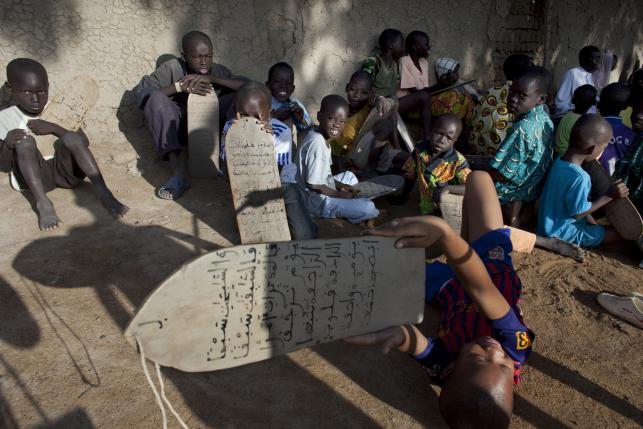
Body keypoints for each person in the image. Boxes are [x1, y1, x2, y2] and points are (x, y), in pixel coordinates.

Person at [346, 171, 535, 429]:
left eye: (479, 358)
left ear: (451, 369)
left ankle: (455, 243)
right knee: (479, 179)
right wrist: (446, 236)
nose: (494, 351)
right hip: (489, 269)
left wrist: (400, 335)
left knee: (381, 265)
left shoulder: (441, 365)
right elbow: (482, 288)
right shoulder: (516, 347)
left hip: (446, 289)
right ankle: (456, 240)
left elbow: (415, 342)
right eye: (504, 366)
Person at [0, 58, 128, 231]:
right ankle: (43, 203)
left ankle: (105, 192)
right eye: (26, 92)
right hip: (36, 181)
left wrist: (54, 128)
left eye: (42, 92)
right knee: (25, 142)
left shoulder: (60, 109)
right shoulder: (5, 118)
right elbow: (5, 166)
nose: (36, 98)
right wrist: (8, 144)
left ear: (48, 87)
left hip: (65, 174)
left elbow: (83, 143)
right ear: (10, 89)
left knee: (72, 137)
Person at [135, 30, 246, 200]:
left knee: (240, 96)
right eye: (197, 57)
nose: (204, 62)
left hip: (209, 130)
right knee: (156, 98)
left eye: (208, 56)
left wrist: (213, 79)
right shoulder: (171, 68)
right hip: (178, 130)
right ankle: (178, 174)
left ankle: (227, 164)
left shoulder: (217, 70)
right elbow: (144, 94)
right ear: (184, 56)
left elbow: (250, 86)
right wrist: (180, 87)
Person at [219, 82, 316, 240]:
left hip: (281, 186)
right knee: (252, 236)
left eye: (257, 117)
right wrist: (237, 146)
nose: (250, 122)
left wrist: (264, 143)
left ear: (269, 114)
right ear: (236, 112)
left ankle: (303, 216)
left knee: (304, 236)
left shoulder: (280, 132)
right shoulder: (230, 128)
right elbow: (227, 174)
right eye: (243, 115)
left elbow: (273, 179)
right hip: (246, 184)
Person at [537, 114, 630, 248]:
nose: (603, 150)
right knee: (618, 235)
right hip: (562, 233)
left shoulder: (560, 161)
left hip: (545, 227)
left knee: (595, 226)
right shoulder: (580, 177)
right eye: (603, 147)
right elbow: (578, 213)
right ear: (592, 149)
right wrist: (609, 196)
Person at [294, 95, 379, 224]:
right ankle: (351, 212)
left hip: (322, 190)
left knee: (350, 177)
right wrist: (338, 194)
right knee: (369, 208)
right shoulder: (317, 144)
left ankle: (350, 207)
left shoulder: (322, 137)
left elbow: (323, 176)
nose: (336, 125)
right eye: (331, 118)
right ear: (319, 116)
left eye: (342, 121)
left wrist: (341, 186)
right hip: (314, 202)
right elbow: (313, 184)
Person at [491, 66, 554, 227]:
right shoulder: (544, 119)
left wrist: (475, 173)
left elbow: (501, 173)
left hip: (514, 191)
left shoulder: (523, 128)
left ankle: (507, 214)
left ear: (541, 99)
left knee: (466, 180)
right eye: (512, 92)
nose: (512, 98)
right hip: (531, 189)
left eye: (522, 95)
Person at [330, 70, 406, 175]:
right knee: (385, 126)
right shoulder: (339, 112)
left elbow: (390, 101)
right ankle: (370, 171)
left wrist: (379, 99)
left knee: (408, 160)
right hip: (355, 156)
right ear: (347, 87)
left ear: (370, 93)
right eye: (353, 89)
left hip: (374, 151)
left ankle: (378, 170)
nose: (357, 95)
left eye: (364, 92)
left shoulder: (368, 106)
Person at [362, 29, 433, 139]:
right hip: (376, 105)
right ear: (391, 45)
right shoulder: (373, 62)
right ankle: (428, 137)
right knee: (423, 96)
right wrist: (378, 99)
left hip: (390, 104)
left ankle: (427, 137)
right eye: (401, 44)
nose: (404, 48)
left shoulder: (395, 65)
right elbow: (363, 89)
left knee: (423, 97)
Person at [399, 113, 470, 214]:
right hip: (425, 206)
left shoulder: (458, 162)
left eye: (449, 138)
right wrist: (403, 198)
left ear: (455, 140)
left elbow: (469, 187)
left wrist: (448, 188)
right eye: (439, 133)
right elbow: (411, 175)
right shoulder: (420, 149)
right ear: (432, 130)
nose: (442, 140)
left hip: (447, 210)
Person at [468, 53, 532, 156]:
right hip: (501, 155)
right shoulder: (523, 96)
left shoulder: (491, 91)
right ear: (527, 73)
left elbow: (474, 118)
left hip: (477, 149)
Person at [597, 83, 635, 174]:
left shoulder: (590, 128)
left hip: (592, 182)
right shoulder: (632, 135)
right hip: (617, 185)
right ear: (625, 107)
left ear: (600, 103)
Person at [554, 45, 601, 115]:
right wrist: (574, 112)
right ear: (584, 58)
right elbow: (560, 102)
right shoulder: (572, 73)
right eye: (593, 58)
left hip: (589, 119)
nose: (597, 61)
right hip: (575, 119)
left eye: (599, 58)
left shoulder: (592, 76)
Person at [265, 62, 311, 133]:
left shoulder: (296, 104)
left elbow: (308, 130)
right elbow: (257, 130)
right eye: (277, 81)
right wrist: (275, 119)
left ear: (293, 88)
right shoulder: (263, 104)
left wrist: (301, 120)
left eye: (288, 83)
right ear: (268, 85)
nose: (283, 86)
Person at [554, 84, 597, 156]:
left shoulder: (567, 115)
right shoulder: (582, 123)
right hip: (566, 156)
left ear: (573, 100)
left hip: (558, 153)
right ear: (593, 104)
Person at [430, 57, 476, 124]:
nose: (457, 74)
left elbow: (467, 98)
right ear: (444, 77)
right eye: (454, 72)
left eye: (457, 71)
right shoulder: (440, 89)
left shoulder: (458, 83)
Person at [397, 30, 436, 97]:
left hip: (421, 100)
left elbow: (425, 89)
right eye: (426, 44)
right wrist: (440, 85)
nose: (429, 47)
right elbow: (414, 92)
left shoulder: (424, 63)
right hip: (405, 101)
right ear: (415, 47)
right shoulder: (404, 61)